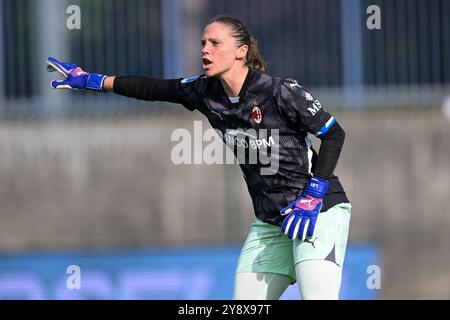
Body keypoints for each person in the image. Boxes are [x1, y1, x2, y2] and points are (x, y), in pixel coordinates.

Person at [47, 15, 351, 300]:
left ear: (240, 52)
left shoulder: (279, 92)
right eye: (203, 43)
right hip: (271, 222)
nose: (205, 50)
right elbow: (153, 88)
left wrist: (314, 192)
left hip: (318, 210)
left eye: (215, 43)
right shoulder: (205, 92)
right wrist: (91, 80)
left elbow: (334, 133)